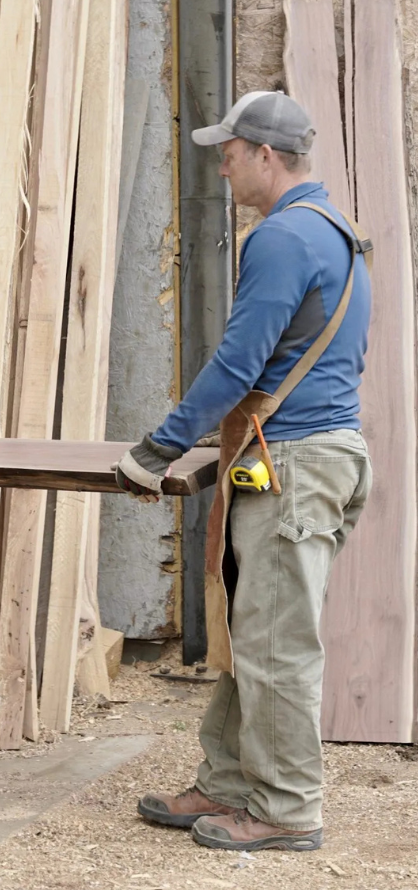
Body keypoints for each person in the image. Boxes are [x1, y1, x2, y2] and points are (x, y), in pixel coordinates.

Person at [114, 91, 373, 852]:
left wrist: (158, 449)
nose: (221, 167)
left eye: (228, 153)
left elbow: (236, 365)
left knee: (277, 646)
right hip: (294, 458)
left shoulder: (285, 238)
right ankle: (227, 784)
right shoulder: (336, 231)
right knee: (249, 626)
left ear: (265, 155)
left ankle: (288, 810)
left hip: (292, 461)